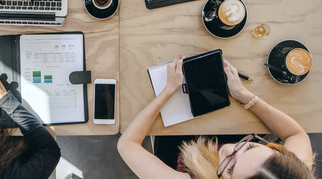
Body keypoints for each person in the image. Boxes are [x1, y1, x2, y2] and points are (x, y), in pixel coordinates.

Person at [117, 55, 315, 178]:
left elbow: (127, 145)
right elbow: (296, 135)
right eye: (251, 147)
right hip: (231, 123)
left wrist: (168, 91)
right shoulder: (290, 172)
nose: (229, 148)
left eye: (231, 168)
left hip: (178, 145)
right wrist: (245, 96)